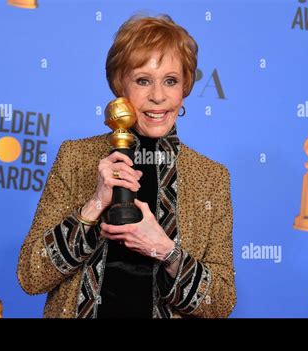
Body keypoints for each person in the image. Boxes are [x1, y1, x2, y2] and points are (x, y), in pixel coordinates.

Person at [17, 14, 236, 318]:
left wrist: (166, 250)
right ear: (121, 85)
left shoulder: (211, 177)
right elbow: (30, 276)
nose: (158, 96)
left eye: (170, 81)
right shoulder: (76, 157)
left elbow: (222, 302)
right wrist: (93, 206)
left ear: (185, 88)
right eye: (143, 80)